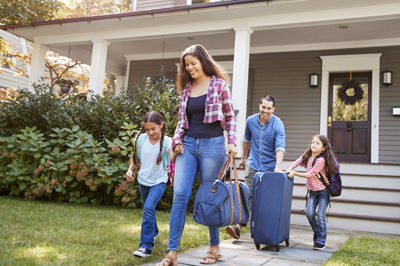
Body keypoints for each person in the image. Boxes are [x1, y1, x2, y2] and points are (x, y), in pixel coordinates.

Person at [156, 44, 237, 266]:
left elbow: (230, 117)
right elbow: (181, 122)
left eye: (193, 63)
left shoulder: (219, 84)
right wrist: (177, 141)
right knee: (180, 196)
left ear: (203, 61)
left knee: (211, 197)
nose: (190, 68)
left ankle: (214, 247)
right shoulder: (186, 90)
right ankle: (172, 253)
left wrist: (231, 142)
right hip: (188, 145)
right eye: (186, 65)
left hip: (213, 144)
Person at [225, 95, 285, 240]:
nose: (265, 110)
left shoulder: (278, 124)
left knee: (266, 199)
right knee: (248, 194)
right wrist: (244, 158)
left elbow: (280, 147)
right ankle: (239, 226)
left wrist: (278, 166)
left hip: (270, 167)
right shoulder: (251, 121)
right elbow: (246, 140)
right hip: (253, 164)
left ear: (273, 109)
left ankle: (263, 230)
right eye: (263, 107)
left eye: (269, 108)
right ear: (260, 106)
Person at [126, 111, 173, 257]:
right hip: (143, 180)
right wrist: (130, 170)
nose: (150, 132)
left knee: (148, 208)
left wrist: (177, 151)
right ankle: (154, 232)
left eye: (153, 129)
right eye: (147, 129)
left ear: (161, 125)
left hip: (159, 180)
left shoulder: (167, 141)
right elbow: (135, 158)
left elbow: (174, 159)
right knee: (148, 210)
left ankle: (145, 246)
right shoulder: (141, 139)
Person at [286, 134, 338, 250]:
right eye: (313, 142)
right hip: (312, 191)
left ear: (323, 148)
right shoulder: (308, 156)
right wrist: (289, 169)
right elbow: (296, 162)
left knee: (320, 216)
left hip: (323, 191)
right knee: (309, 214)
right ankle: (318, 233)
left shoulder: (321, 160)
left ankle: (321, 241)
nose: (314, 144)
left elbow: (310, 174)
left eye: (317, 143)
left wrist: (294, 173)